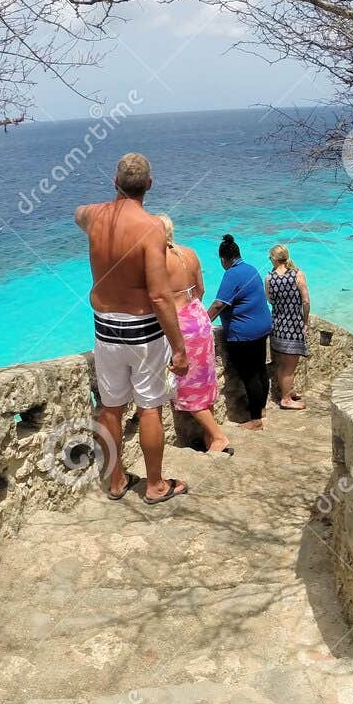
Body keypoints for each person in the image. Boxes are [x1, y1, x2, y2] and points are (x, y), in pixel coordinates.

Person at [75, 153, 190, 504]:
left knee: (110, 408)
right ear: (150, 185)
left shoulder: (94, 216)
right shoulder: (151, 227)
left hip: (105, 327)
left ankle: (115, 480)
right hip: (143, 330)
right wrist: (180, 348)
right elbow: (158, 295)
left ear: (115, 183)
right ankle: (154, 485)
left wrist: (100, 216)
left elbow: (79, 213)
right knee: (149, 407)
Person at [158, 215, 233, 455]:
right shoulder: (190, 253)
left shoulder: (159, 261)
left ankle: (220, 437)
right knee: (203, 379)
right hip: (200, 319)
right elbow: (201, 289)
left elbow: (158, 301)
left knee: (187, 386)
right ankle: (209, 436)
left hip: (180, 325)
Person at [206, 233, 273, 429]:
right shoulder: (250, 268)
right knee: (260, 370)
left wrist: (201, 322)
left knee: (249, 375)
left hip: (244, 333)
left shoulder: (232, 274)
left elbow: (219, 304)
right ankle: (260, 409)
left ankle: (255, 420)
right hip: (262, 326)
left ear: (223, 259)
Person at [266, 244, 310, 410]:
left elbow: (270, 299)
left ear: (275, 259)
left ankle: (286, 392)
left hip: (277, 325)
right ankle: (285, 399)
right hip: (293, 325)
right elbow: (305, 301)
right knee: (290, 366)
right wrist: (304, 322)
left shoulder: (269, 278)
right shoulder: (298, 274)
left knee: (282, 364)